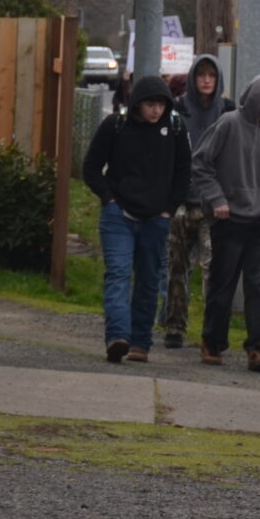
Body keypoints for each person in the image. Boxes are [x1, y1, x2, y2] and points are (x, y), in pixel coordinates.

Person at [82, 74, 192, 363]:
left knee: (149, 279)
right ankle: (118, 336)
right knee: (118, 273)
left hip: (156, 217)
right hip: (119, 215)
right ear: (138, 104)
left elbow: (183, 172)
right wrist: (109, 199)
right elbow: (91, 167)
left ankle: (140, 342)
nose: (156, 110)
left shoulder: (176, 128)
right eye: (150, 104)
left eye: (161, 104)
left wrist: (169, 208)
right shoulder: (115, 126)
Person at [188, 74, 260, 370]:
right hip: (229, 219)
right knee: (223, 283)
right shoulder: (228, 123)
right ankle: (212, 341)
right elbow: (201, 163)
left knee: (257, 284)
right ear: (258, 97)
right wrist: (217, 199)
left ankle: (258, 348)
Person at [161, 52, 229, 348]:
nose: (205, 80)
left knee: (212, 268)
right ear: (192, 77)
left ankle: (211, 331)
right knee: (176, 267)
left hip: (213, 204)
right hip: (180, 201)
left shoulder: (227, 111)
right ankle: (174, 325)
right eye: (201, 74)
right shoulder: (177, 110)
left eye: (211, 75)